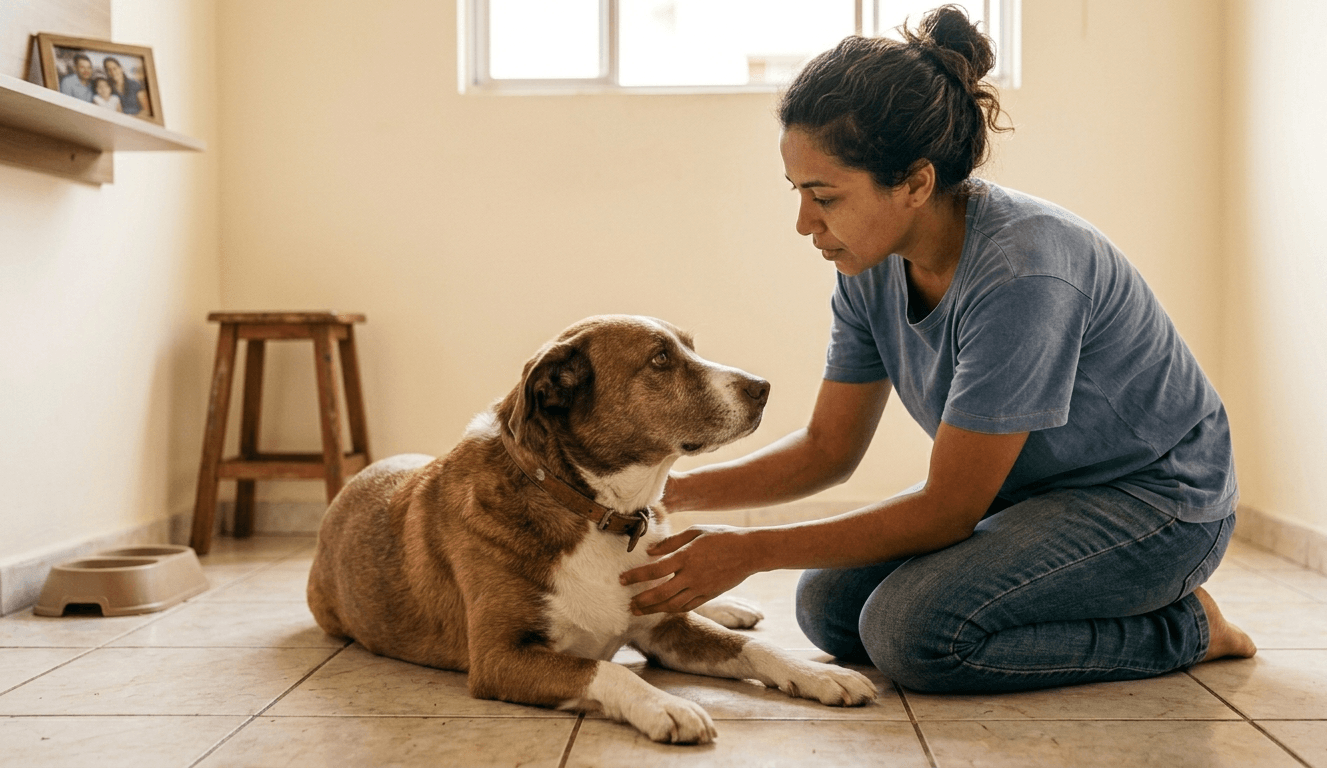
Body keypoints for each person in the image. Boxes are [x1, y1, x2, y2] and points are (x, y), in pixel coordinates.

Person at [619, 4, 1255, 693]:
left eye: (823, 196)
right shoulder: (868, 264)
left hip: (1157, 505)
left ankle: (1187, 628)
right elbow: (828, 449)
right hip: (1033, 498)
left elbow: (948, 508)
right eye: (797, 191)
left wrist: (752, 549)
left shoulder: (1022, 273)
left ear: (916, 184)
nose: (803, 222)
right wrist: (662, 494)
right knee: (827, 609)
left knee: (912, 635)